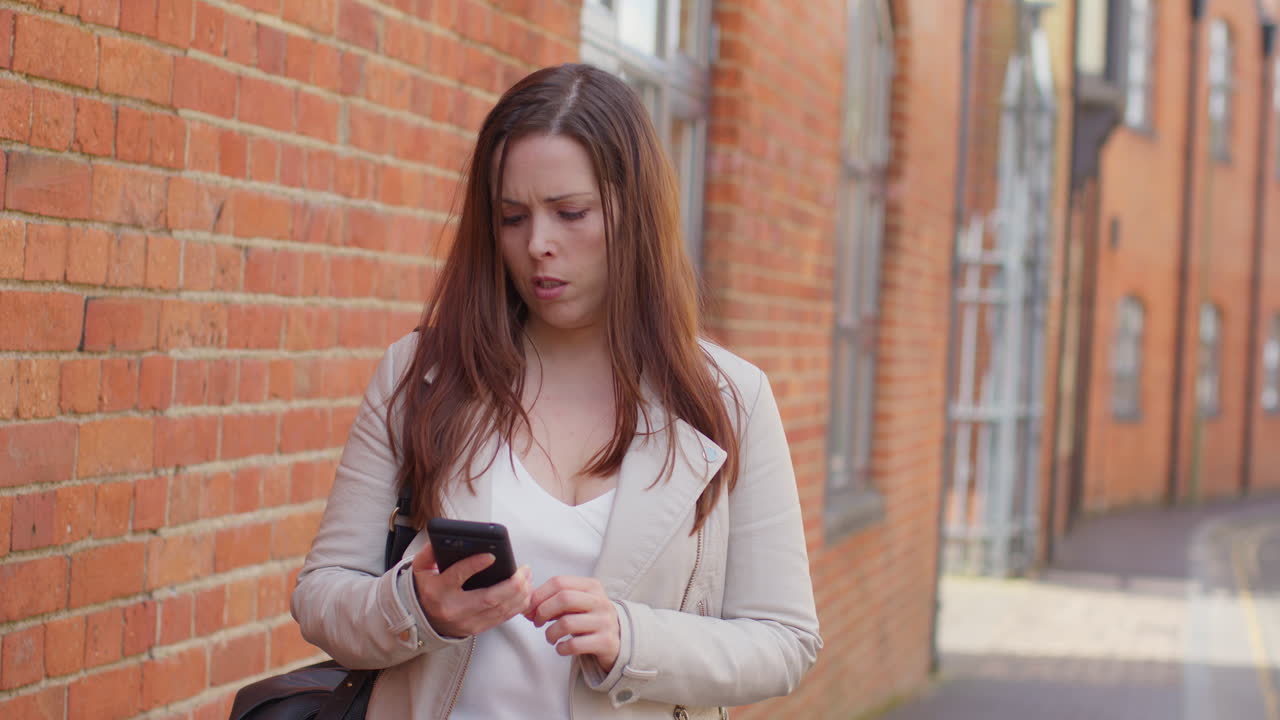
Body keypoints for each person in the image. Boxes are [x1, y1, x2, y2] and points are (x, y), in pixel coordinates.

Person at [291, 63, 821, 719]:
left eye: (570, 213)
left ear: (636, 212)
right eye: (512, 217)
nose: (538, 244)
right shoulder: (420, 373)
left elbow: (784, 641)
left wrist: (634, 638)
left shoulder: (729, 400)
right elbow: (321, 596)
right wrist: (416, 608)